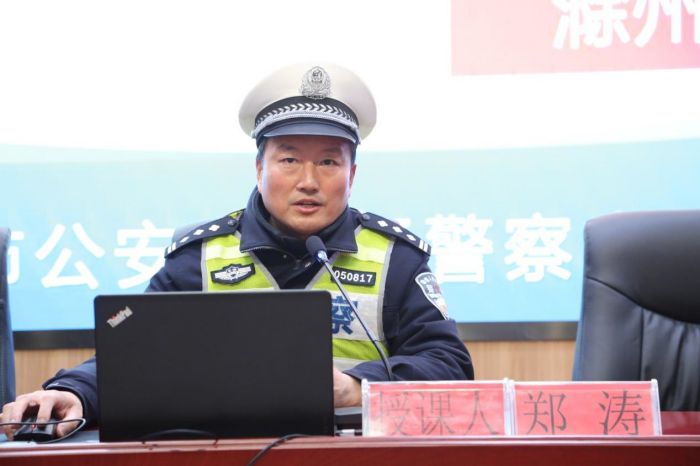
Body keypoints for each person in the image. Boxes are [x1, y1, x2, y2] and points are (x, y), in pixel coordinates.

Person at [2, 62, 474, 439]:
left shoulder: (395, 258)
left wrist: (357, 386)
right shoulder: (198, 258)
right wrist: (76, 393)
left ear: (351, 175)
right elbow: (137, 358)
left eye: (329, 161)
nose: (308, 181)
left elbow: (448, 365)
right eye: (289, 159)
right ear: (259, 168)